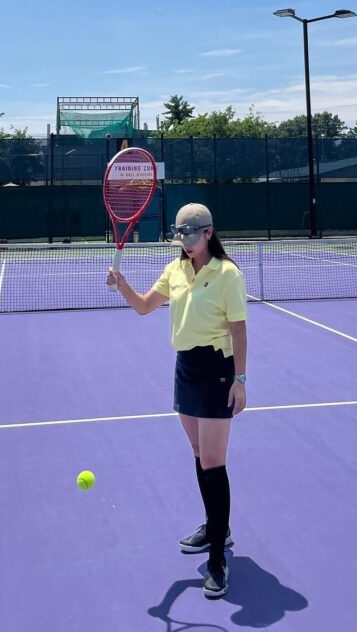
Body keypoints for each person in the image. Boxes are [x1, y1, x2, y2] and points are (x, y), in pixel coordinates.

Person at [107, 202, 248, 599]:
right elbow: (144, 307)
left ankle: (218, 558)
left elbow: (239, 330)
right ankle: (216, 524)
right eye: (181, 238)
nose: (186, 245)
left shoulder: (227, 274)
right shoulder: (176, 270)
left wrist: (240, 380)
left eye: (192, 237)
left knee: (214, 462)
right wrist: (123, 285)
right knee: (199, 452)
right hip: (185, 368)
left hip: (218, 369)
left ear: (208, 232)